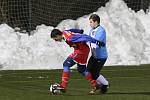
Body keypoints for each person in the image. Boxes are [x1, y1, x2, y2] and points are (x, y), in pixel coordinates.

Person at [50, 28, 105, 94]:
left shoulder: (69, 38)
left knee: (66, 65)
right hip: (83, 50)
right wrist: (79, 31)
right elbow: (73, 30)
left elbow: (84, 37)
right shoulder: (65, 32)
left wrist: (97, 42)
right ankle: (96, 85)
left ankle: (63, 86)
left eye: (55, 39)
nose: (56, 40)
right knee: (81, 70)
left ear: (57, 35)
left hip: (81, 52)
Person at [87, 14, 109, 94]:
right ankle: (98, 85)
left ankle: (105, 84)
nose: (90, 24)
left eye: (91, 22)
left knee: (95, 74)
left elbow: (97, 42)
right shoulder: (91, 30)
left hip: (101, 57)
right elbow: (89, 40)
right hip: (94, 56)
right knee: (88, 71)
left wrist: (90, 40)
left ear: (96, 22)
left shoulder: (101, 30)